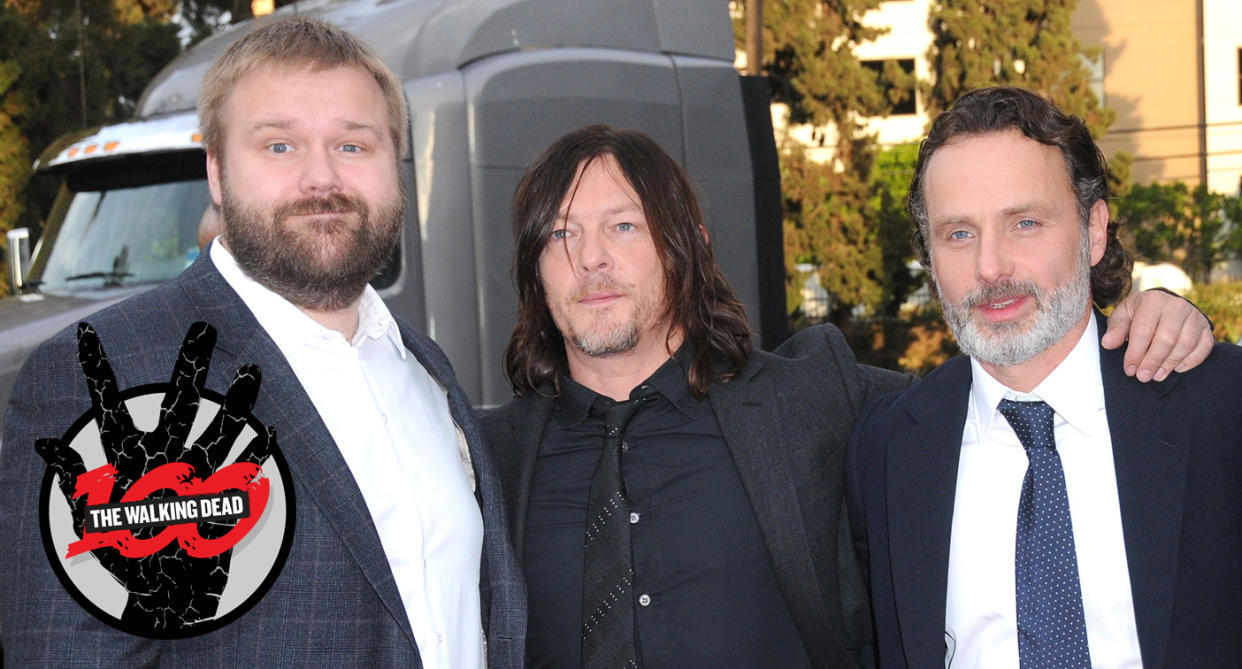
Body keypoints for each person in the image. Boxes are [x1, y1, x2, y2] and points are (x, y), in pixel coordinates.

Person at [480, 124, 1213, 668]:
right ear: (534, 271)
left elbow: (1011, 382)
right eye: (559, 235)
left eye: (623, 226)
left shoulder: (813, 400)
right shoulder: (492, 461)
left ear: (691, 246)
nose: (591, 258)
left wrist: (1156, 321)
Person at [0, 17, 524, 667]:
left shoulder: (425, 369)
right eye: (280, 146)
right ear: (217, 174)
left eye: (354, 146)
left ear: (396, 165)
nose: (321, 179)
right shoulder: (107, 372)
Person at [846, 86, 1242, 668]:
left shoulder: (1218, 406)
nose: (990, 267)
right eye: (958, 233)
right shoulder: (884, 450)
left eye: (1024, 223)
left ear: (1094, 231)